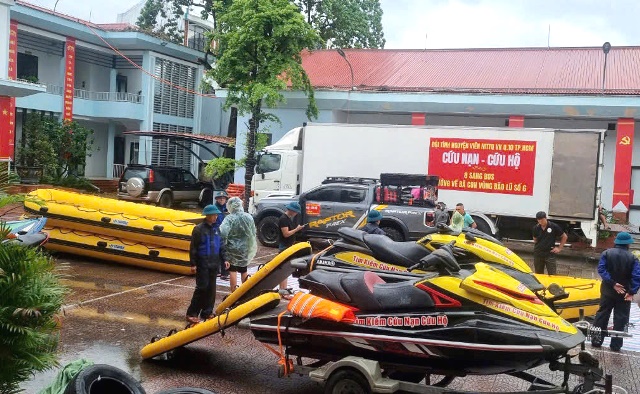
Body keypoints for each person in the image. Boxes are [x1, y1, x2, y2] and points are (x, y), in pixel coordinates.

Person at [591, 232, 640, 351]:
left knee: (602, 315)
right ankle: (616, 345)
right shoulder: (633, 258)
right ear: (628, 245)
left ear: (616, 242)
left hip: (607, 291)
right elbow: (636, 276)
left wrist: (613, 283)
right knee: (621, 318)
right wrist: (632, 292)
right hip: (624, 293)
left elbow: (601, 270)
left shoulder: (606, 253)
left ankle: (596, 341)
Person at [186, 204, 229, 324]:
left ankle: (207, 312)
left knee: (211, 289)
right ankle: (192, 313)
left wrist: (225, 259)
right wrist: (193, 264)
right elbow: (193, 248)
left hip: (214, 264)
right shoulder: (199, 229)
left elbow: (221, 246)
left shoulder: (216, 229)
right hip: (202, 264)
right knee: (202, 288)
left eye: (216, 215)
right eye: (213, 215)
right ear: (207, 216)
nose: (216, 217)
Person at [220, 197, 258, 291]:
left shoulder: (229, 218)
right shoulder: (248, 217)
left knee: (232, 270)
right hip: (245, 247)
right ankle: (244, 291)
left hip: (231, 248)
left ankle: (234, 292)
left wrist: (224, 243)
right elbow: (253, 232)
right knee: (243, 269)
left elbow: (223, 232)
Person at [278, 202, 305, 299]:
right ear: (292, 211)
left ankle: (283, 290)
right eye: (296, 212)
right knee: (284, 271)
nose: (296, 214)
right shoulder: (283, 219)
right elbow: (286, 234)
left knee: (284, 271)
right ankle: (284, 292)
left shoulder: (289, 218)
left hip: (288, 246)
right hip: (284, 247)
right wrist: (297, 229)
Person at [532, 211, 567, 275]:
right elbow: (535, 239)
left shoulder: (553, 226)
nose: (541, 222)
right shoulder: (536, 228)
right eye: (539, 220)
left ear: (546, 218)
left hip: (550, 254)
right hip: (538, 254)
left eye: (542, 220)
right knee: (539, 274)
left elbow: (564, 236)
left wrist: (559, 248)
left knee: (552, 274)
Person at [214, 191, 230, 280]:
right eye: (220, 198)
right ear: (217, 199)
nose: (221, 200)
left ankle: (224, 273)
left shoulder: (226, 208)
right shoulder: (214, 208)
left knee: (224, 252)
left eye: (223, 198)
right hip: (217, 232)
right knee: (218, 252)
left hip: (225, 233)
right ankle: (218, 272)